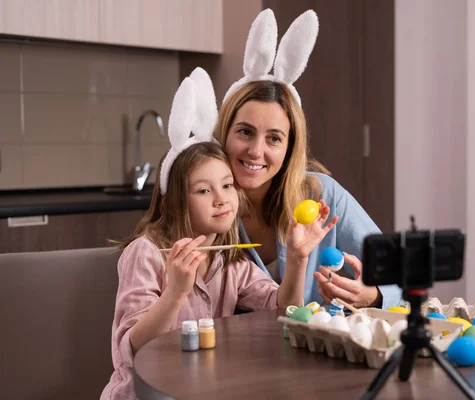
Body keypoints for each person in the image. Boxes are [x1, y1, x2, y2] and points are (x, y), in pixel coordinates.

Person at [101, 69, 337, 400]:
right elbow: (132, 346)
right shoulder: (147, 253)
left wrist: (298, 259)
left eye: (227, 185)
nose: (222, 199)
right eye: (203, 190)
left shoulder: (229, 258)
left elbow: (284, 310)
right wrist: (175, 294)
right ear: (176, 200)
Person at [214, 9, 402, 309]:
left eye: (274, 138)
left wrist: (374, 295)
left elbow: (399, 272)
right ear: (223, 134)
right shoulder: (206, 206)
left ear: (290, 148)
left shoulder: (322, 195)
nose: (256, 151)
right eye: (245, 132)